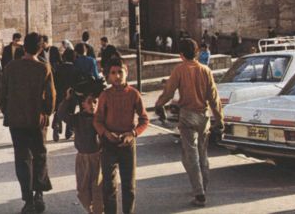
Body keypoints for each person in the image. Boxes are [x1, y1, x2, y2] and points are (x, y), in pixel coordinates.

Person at [154, 38, 224, 208]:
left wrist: (159, 105)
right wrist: (220, 120)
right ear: (197, 53)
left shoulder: (179, 70)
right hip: (204, 116)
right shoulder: (205, 70)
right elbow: (214, 98)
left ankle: (199, 193)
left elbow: (168, 92)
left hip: (187, 116)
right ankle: (202, 186)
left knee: (190, 156)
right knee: (202, 153)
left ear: (181, 55)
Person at [0, 32, 55, 214]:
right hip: (37, 120)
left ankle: (28, 198)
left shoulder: (10, 67)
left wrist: (8, 110)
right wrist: (46, 112)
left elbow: (1, 93)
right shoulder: (43, 68)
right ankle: (39, 193)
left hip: (17, 120)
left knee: (22, 158)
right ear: (40, 48)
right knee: (39, 155)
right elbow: (51, 97)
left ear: (24, 47)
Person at [94, 58, 149, 214]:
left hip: (127, 145)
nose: (117, 76)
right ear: (108, 76)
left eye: (120, 72)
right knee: (109, 187)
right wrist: (105, 133)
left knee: (129, 186)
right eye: (113, 73)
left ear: (126, 72)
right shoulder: (105, 95)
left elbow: (144, 119)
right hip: (109, 145)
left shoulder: (134, 94)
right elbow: (97, 120)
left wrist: (132, 134)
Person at [57, 80, 106, 214]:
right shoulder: (77, 119)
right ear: (83, 104)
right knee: (83, 190)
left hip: (97, 158)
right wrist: (67, 99)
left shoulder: (100, 119)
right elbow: (61, 114)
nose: (93, 105)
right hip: (82, 158)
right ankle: (91, 211)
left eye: (95, 102)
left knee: (98, 189)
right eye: (89, 102)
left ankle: (98, 212)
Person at [52, 48, 79, 141]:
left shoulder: (58, 69)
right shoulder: (75, 69)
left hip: (60, 93)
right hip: (71, 93)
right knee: (70, 112)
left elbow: (54, 82)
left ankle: (56, 123)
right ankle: (69, 131)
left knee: (59, 110)